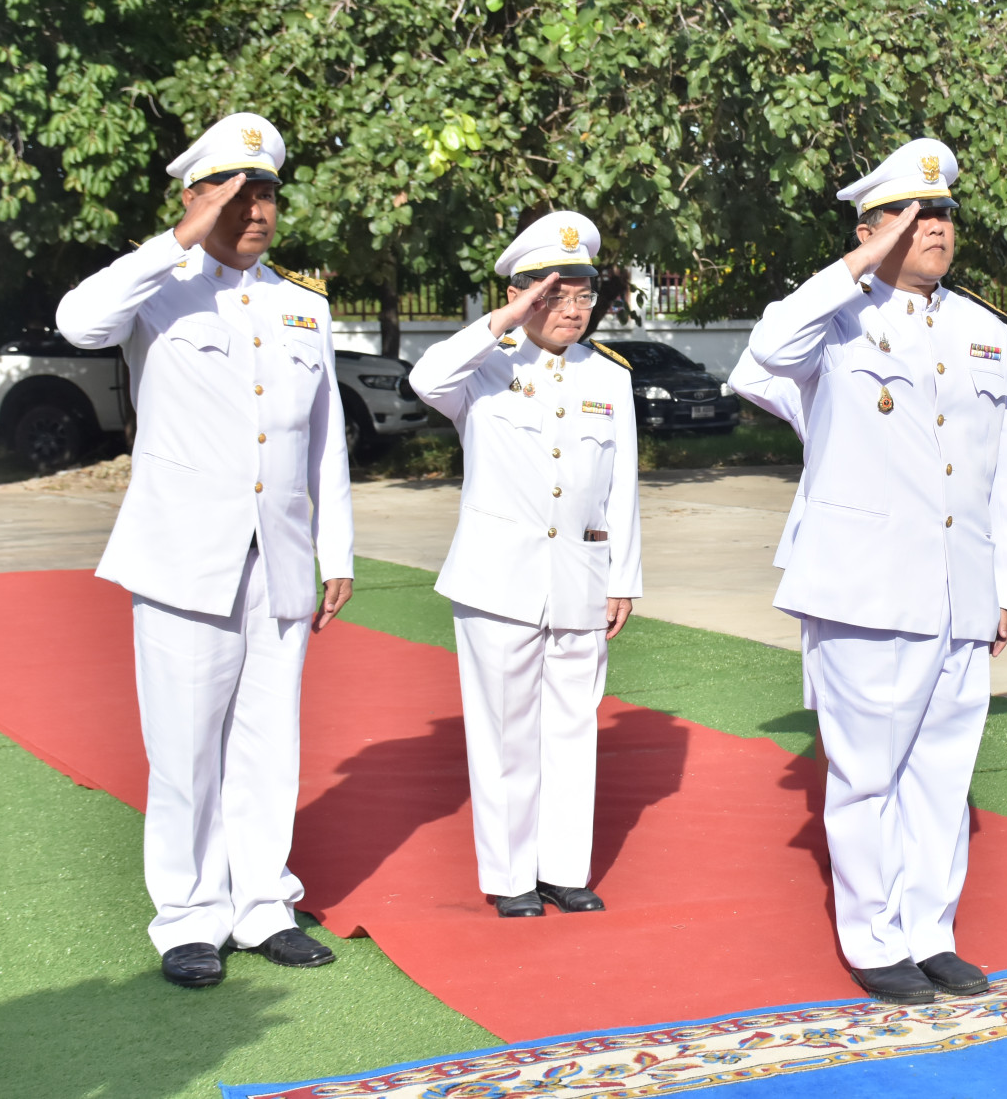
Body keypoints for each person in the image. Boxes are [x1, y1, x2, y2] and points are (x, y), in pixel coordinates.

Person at [56, 112, 354, 989]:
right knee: (186, 744)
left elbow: (323, 440)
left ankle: (263, 903)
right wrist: (173, 241)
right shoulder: (159, 286)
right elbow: (79, 322)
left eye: (266, 193)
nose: (256, 209)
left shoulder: (304, 307)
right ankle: (187, 916)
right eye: (235, 192)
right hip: (184, 556)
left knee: (270, 739)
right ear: (196, 197)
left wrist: (333, 549)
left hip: (279, 556)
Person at [747, 138, 1007, 1005]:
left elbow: (1004, 471)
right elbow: (765, 347)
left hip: (958, 587)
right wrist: (857, 265)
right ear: (871, 229)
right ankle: (873, 939)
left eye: (944, 212)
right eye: (915, 214)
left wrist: (1004, 586)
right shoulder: (830, 317)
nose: (937, 226)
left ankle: (930, 931)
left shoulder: (982, 329)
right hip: (863, 585)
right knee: (867, 772)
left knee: (943, 773)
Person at [407, 211, 641, 918]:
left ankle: (562, 867)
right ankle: (510, 875)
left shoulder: (608, 375)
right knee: (505, 728)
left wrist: (622, 577)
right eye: (555, 294)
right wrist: (506, 317)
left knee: (572, 725)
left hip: (579, 574)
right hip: (497, 578)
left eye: (582, 295)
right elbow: (425, 375)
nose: (572, 309)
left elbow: (622, 484)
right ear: (523, 293)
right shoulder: (483, 367)